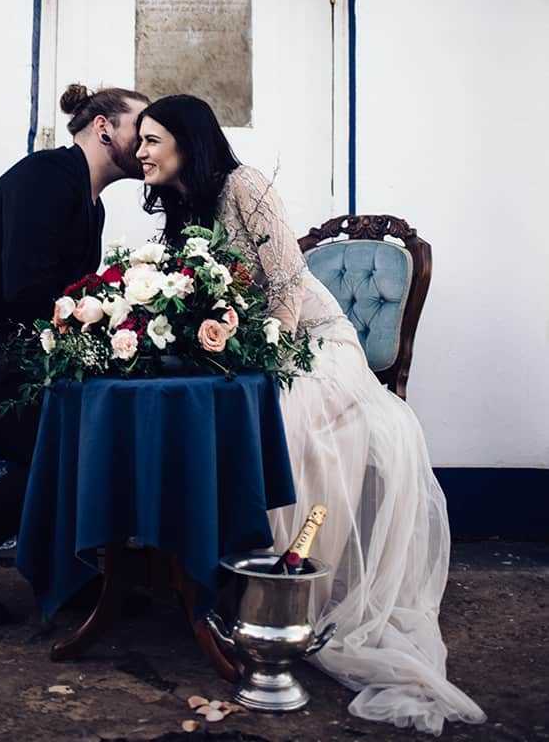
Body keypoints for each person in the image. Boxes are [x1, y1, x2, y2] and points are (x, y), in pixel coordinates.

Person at [135, 94, 485, 735]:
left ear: (187, 139)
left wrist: (264, 360)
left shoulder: (245, 185)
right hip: (249, 339)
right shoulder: (186, 205)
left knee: (277, 412)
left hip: (310, 341)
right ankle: (196, 573)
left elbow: (287, 283)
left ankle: (266, 595)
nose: (141, 152)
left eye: (152, 139)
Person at [0, 82, 149, 622]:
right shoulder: (46, 176)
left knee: (93, 417)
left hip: (3, 345)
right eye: (142, 128)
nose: (150, 141)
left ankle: (74, 573)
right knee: (65, 428)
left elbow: (65, 298)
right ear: (104, 127)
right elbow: (28, 291)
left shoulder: (92, 204)